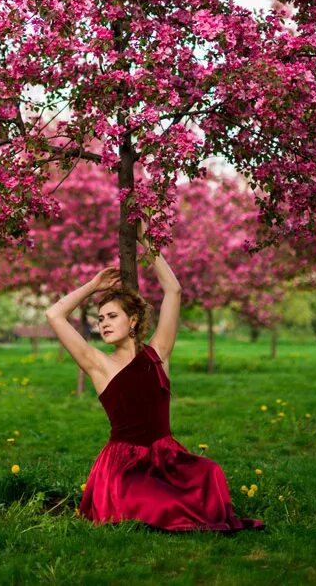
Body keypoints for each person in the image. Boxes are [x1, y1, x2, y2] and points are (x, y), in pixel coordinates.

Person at [45, 217, 265, 532]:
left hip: (166, 457)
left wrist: (146, 239)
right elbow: (54, 314)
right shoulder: (97, 363)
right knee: (158, 504)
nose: (103, 324)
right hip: (125, 465)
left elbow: (173, 290)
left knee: (210, 473)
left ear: (133, 320)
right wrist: (93, 285)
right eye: (100, 318)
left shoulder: (158, 353)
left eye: (112, 316)